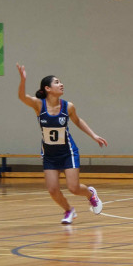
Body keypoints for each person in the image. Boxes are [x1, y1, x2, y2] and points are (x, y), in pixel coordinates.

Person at [16, 64, 107, 225]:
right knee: (52, 190)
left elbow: (78, 121)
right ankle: (69, 210)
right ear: (48, 88)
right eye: (57, 82)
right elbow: (22, 97)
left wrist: (94, 135)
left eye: (61, 82)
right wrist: (23, 80)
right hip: (50, 154)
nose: (61, 84)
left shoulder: (68, 106)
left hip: (67, 152)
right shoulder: (39, 105)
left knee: (73, 187)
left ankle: (90, 194)